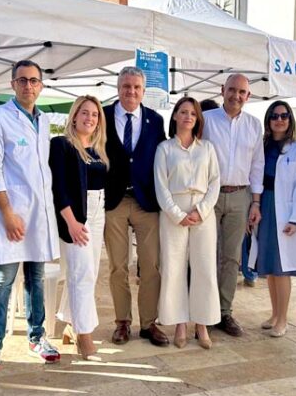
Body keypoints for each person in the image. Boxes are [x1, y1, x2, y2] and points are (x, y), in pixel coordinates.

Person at [0, 60, 61, 376]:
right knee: (3, 281)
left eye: (34, 81)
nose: (29, 86)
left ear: (41, 86)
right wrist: (8, 213)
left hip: (39, 216)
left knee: (36, 279)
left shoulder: (46, 121)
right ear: (12, 84)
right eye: (22, 80)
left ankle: (38, 338)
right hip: (11, 213)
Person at [103, 66, 169, 347]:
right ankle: (122, 322)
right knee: (118, 266)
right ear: (118, 88)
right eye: (126, 86)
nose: (131, 91)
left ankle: (149, 323)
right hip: (114, 201)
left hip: (146, 202)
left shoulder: (155, 120)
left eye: (136, 87)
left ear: (143, 91)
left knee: (151, 266)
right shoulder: (102, 115)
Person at [154, 97, 220, 349]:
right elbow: (161, 185)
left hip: (203, 214)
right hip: (174, 214)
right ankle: (179, 323)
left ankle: (202, 325)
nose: (188, 116)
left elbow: (215, 181)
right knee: (174, 268)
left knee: (204, 267)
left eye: (193, 113)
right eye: (183, 112)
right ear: (175, 116)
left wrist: (201, 210)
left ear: (198, 119)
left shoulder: (207, 149)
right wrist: (177, 214)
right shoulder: (165, 149)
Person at [202, 74, 264, 337]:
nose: (236, 96)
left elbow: (257, 164)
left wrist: (256, 202)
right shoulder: (206, 120)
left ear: (248, 96)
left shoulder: (254, 125)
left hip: (241, 196)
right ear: (222, 90)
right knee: (205, 255)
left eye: (242, 92)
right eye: (232, 90)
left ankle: (224, 312)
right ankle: (204, 312)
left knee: (230, 258)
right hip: (209, 195)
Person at [49, 95, 109, 361]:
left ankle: (70, 324)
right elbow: (58, 186)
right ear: (74, 116)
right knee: (81, 273)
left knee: (89, 272)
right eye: (84, 113)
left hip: (99, 212)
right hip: (76, 216)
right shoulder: (61, 145)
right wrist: (71, 222)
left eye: (95, 115)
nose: (90, 118)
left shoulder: (98, 150)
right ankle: (84, 334)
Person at [251, 101, 296, 338]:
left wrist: (295, 218)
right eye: (275, 116)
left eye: (284, 116)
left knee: (282, 267)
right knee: (268, 265)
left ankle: (283, 319)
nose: (279, 120)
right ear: (268, 120)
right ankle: (274, 313)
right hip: (264, 206)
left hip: (284, 211)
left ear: (290, 120)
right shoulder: (262, 146)